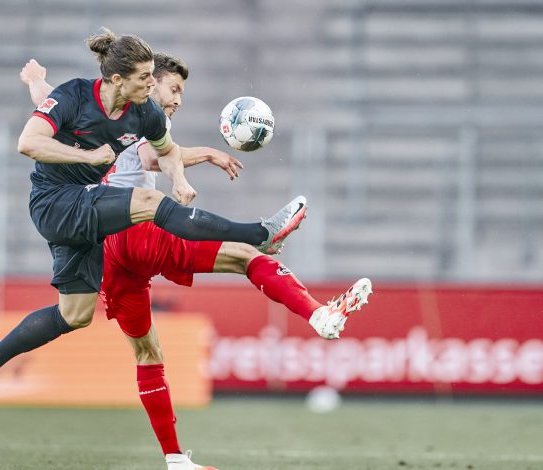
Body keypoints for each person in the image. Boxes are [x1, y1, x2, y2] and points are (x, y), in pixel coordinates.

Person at [20, 56, 373, 470]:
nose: (178, 100)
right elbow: (151, 159)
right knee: (245, 256)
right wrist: (206, 154)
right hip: (135, 230)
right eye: (173, 89)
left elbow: (50, 111)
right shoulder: (139, 117)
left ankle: (174, 459)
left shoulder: (102, 109)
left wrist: (36, 82)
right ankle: (317, 314)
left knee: (148, 351)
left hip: (109, 250)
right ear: (148, 86)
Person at [0, 25, 307, 441]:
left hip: (86, 211)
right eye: (145, 77)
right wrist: (85, 152)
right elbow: (28, 141)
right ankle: (260, 235)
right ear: (116, 80)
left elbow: (167, 151)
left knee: (75, 315)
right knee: (145, 205)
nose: (152, 83)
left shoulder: (146, 112)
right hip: (54, 202)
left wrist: (179, 179)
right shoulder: (74, 94)